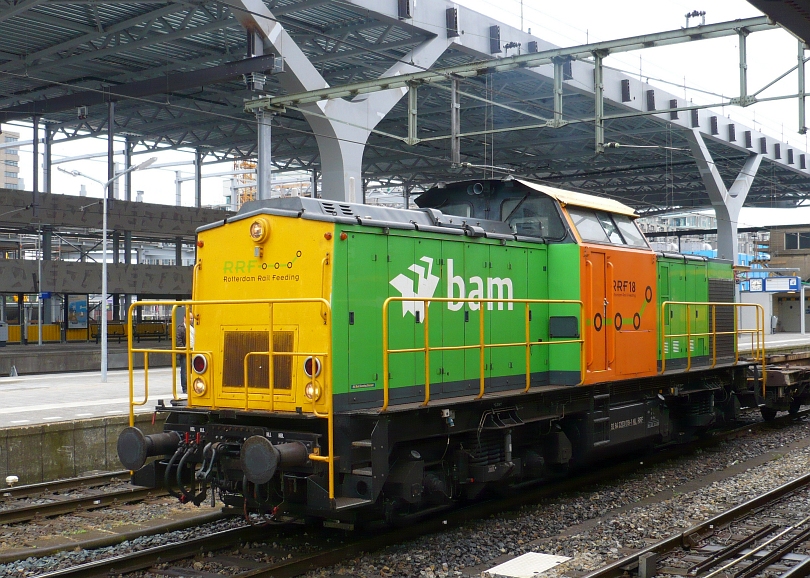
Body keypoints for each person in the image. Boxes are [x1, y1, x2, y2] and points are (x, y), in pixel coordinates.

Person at [176, 315, 187, 394]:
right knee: (184, 370)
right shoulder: (180, 328)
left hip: (193, 351)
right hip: (184, 352)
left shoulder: (194, 327)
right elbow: (178, 340)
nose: (191, 320)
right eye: (189, 318)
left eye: (192, 318)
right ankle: (185, 387)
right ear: (184, 318)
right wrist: (183, 349)